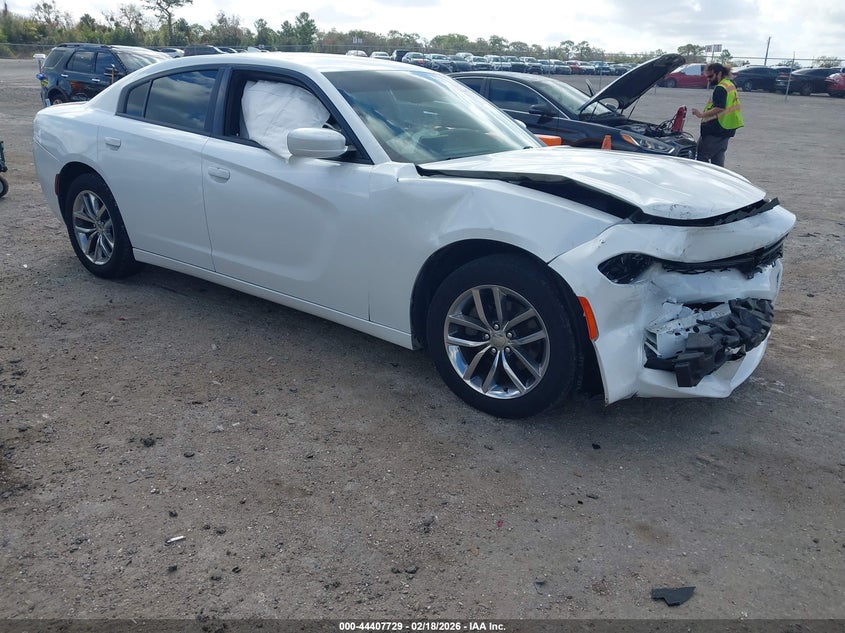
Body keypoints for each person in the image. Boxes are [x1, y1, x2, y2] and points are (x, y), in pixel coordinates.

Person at [691, 63, 744, 167]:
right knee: (718, 157)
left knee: (701, 155)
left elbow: (719, 108)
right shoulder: (729, 84)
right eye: (707, 77)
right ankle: (720, 178)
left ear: (719, 73)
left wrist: (701, 115)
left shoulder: (720, 88)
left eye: (710, 76)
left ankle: (705, 179)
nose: (708, 79)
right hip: (728, 127)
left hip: (717, 128)